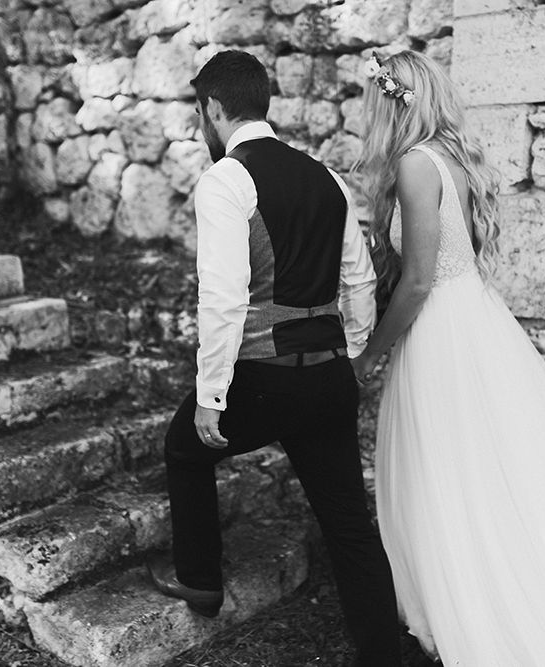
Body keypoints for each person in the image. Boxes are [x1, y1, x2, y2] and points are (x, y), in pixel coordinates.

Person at [147, 50, 403, 666]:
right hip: (329, 377)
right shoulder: (326, 177)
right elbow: (360, 281)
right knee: (347, 523)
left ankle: (202, 580)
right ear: (264, 102)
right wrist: (357, 353)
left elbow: (224, 300)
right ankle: (385, 657)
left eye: (201, 114)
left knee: (185, 447)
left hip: (262, 380)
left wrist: (212, 396)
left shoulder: (227, 180)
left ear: (212, 109)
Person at [352, 49, 545, 665]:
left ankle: (472, 590)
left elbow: (420, 280)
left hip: (439, 328)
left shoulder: (413, 163)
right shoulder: (452, 157)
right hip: (473, 316)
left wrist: (369, 355)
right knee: (485, 459)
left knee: (446, 460)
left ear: (390, 100)